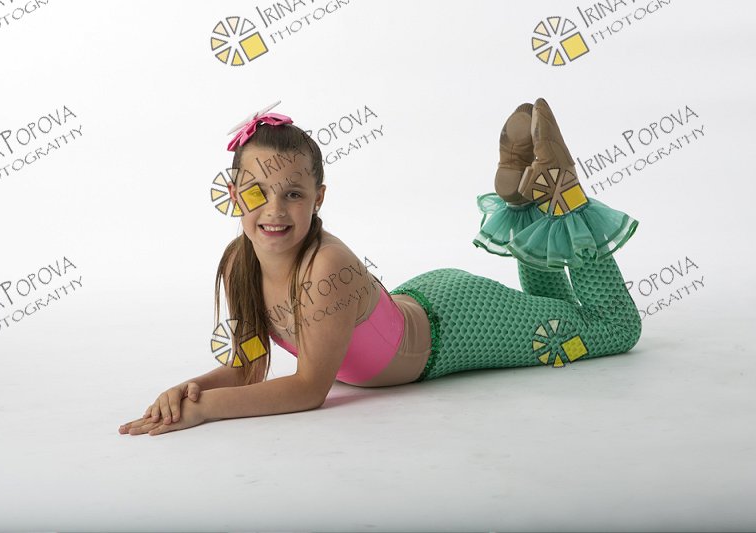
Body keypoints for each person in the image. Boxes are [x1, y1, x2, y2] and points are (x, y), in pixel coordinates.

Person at [119, 98, 642, 436]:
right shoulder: (241, 261)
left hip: (459, 329)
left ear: (318, 198)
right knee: (554, 311)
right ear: (235, 195)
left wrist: (208, 411)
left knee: (613, 329)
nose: (274, 211)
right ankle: (529, 197)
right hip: (417, 301)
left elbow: (309, 389)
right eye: (257, 192)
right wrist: (189, 392)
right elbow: (250, 366)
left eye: (293, 194)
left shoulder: (325, 267)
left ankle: (562, 193)